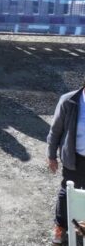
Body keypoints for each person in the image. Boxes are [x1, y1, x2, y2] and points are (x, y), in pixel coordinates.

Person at [45, 81, 85, 245]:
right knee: (67, 192)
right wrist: (51, 155)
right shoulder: (68, 101)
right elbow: (55, 130)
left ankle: (82, 222)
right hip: (74, 157)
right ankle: (61, 226)